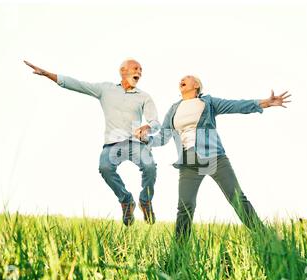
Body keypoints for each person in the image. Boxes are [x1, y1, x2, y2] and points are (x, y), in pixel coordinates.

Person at [136, 75, 291, 239]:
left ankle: (266, 238)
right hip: (188, 162)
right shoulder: (174, 108)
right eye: (181, 78)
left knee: (237, 199)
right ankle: (179, 250)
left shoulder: (208, 103)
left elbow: (235, 105)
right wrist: (146, 138)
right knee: (185, 207)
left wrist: (264, 103)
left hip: (214, 157)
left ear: (196, 85)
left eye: (187, 78)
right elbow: (163, 137)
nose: (182, 79)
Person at [24, 59, 160, 226]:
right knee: (105, 168)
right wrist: (47, 74)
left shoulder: (144, 97)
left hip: (135, 143)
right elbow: (77, 84)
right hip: (113, 143)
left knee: (150, 167)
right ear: (123, 71)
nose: (139, 71)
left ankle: (145, 201)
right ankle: (126, 201)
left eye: (141, 69)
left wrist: (147, 127)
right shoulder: (106, 90)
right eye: (135, 68)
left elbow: (155, 123)